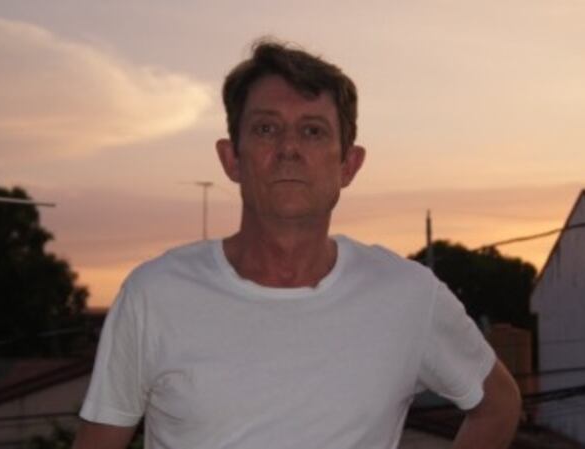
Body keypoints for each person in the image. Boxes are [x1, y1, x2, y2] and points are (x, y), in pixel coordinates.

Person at [73, 39, 521, 449]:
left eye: (312, 131)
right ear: (231, 158)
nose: (289, 148)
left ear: (349, 164)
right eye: (267, 129)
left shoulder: (409, 296)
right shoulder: (154, 295)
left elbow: (498, 405)